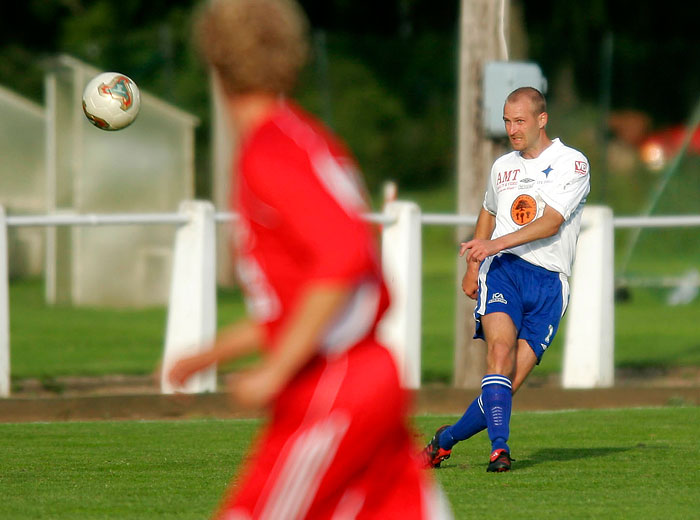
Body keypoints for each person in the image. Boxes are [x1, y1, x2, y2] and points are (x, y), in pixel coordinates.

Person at [167, 0, 452, 518]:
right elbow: (311, 292)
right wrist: (214, 353)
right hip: (366, 381)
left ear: (215, 59)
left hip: (332, 388)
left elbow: (343, 259)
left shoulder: (267, 153)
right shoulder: (305, 137)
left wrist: (275, 370)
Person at [421, 87, 590, 472]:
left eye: (520, 121)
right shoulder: (502, 167)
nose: (512, 129)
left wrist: (493, 242)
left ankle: (443, 442)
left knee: (505, 389)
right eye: (507, 121)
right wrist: (474, 264)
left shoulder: (572, 163)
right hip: (505, 271)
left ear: (541, 120)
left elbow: (550, 223)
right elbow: (488, 208)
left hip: (550, 284)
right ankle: (500, 449)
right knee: (499, 356)